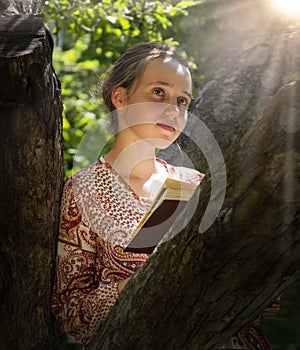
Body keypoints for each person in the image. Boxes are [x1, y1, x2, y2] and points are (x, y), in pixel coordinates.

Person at [51, 42, 279, 348]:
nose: (173, 110)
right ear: (120, 97)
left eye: (182, 101)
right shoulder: (83, 191)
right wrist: (142, 283)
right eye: (159, 92)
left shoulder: (196, 185)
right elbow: (71, 316)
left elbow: (261, 296)